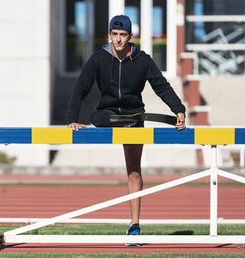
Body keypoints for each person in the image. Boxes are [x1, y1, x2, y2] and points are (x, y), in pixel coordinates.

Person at [67, 15, 186, 246]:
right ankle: (118, 119)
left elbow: (162, 86)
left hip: (134, 118)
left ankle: (134, 225)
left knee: (133, 171)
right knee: (97, 117)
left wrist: (178, 109)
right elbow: (80, 88)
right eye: (115, 34)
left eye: (123, 35)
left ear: (130, 36)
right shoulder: (98, 59)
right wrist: (73, 118)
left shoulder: (143, 60)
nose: (118, 39)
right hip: (109, 115)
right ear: (108, 35)